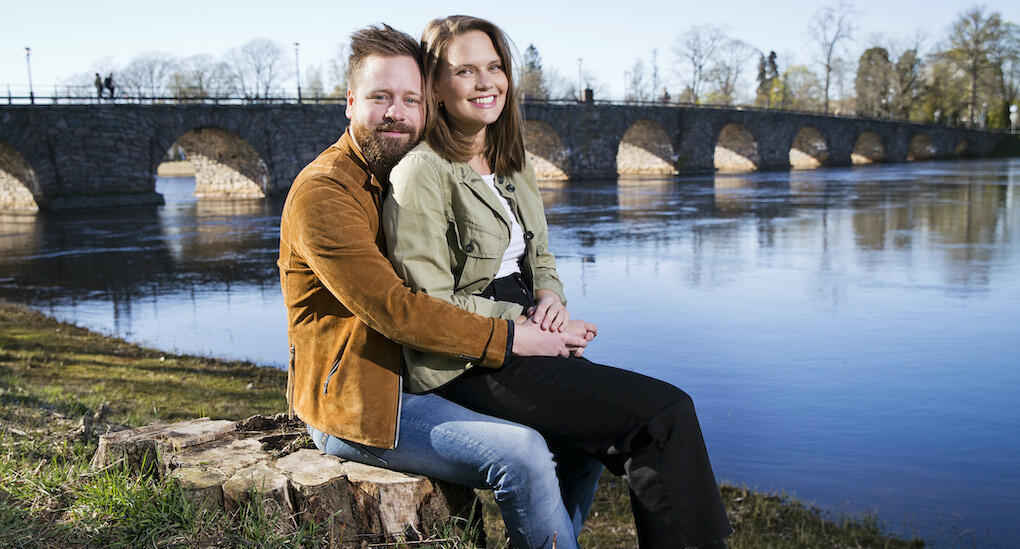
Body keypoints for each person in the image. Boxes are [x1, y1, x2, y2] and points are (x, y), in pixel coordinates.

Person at [383, 15, 733, 548]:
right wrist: (523, 324)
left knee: (589, 444)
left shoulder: (510, 160)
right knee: (661, 417)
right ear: (433, 84)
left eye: (495, 67)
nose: (486, 83)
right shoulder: (421, 171)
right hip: (465, 357)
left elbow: (540, 256)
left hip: (527, 328)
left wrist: (550, 298)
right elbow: (429, 302)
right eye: (466, 71)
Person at [278, 24, 601, 549]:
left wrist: (546, 300)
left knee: (587, 433)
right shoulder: (325, 193)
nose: (395, 113)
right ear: (350, 102)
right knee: (523, 455)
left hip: (434, 375)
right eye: (380, 97)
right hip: (365, 402)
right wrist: (515, 336)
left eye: (411, 99)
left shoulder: (407, 171)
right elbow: (396, 309)